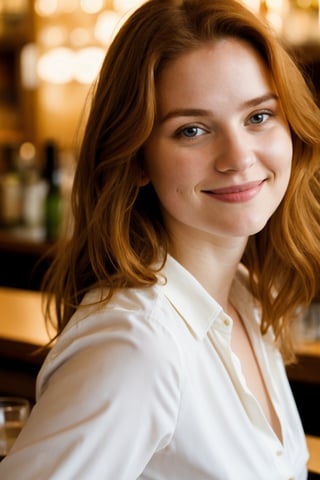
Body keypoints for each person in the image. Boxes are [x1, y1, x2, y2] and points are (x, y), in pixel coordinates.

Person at [1, 0, 320, 478]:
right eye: (192, 129)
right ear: (137, 159)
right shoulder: (136, 347)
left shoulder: (244, 297)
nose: (238, 157)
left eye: (258, 117)